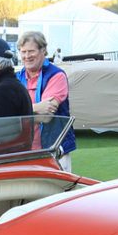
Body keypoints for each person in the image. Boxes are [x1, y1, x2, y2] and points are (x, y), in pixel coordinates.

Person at [17, 30, 76, 170]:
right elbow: (6, 113)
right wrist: (35, 108)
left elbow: (46, 116)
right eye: (23, 52)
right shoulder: (17, 77)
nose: (26, 56)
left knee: (58, 192)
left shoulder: (57, 76)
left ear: (43, 51)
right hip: (24, 151)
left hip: (54, 152)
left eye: (31, 51)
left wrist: (17, 115)